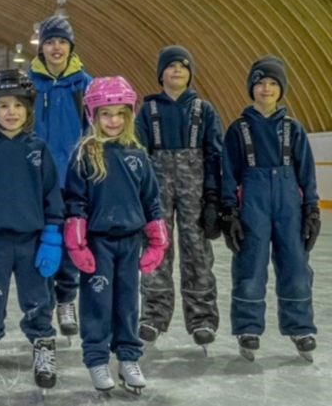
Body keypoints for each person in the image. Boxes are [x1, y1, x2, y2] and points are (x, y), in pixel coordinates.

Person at [0, 69, 63, 391]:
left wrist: (52, 236)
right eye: (3, 105)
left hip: (32, 242)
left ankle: (43, 348)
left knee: (38, 301)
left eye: (18, 105)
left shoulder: (38, 149)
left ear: (28, 109)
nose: (11, 112)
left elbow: (51, 194)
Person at [63, 76, 168, 394]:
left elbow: (151, 199)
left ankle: (127, 356)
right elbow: (75, 200)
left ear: (129, 115)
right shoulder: (85, 153)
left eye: (120, 114)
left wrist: (157, 238)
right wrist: (77, 240)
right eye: (106, 114)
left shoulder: (138, 155)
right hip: (97, 243)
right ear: (93, 116)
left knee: (127, 304)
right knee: (96, 303)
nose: (113, 120)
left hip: (129, 242)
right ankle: (96, 358)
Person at [220, 55, 320, 362]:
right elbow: (228, 171)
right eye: (260, 83)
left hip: (289, 204)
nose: (266, 89)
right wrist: (229, 211)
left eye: (273, 83)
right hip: (253, 203)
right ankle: (248, 328)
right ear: (252, 88)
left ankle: (300, 326)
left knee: (296, 264)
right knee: (251, 265)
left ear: (281, 89)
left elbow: (307, 172)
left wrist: (312, 209)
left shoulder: (294, 129)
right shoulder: (238, 130)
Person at [135, 45, 223, 351]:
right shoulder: (148, 111)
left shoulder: (204, 110)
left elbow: (214, 155)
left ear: (190, 74)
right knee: (156, 250)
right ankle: (153, 316)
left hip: (196, 193)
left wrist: (213, 199)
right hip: (156, 191)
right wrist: (140, 198)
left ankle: (202, 319)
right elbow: (138, 157)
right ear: (161, 74)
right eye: (171, 66)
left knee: (197, 252)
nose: (177, 71)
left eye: (183, 66)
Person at [28, 14, 92, 341]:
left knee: (70, 242)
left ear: (70, 47)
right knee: (40, 242)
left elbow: (95, 133)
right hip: (36, 181)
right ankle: (43, 303)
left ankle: (66, 299)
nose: (56, 47)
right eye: (50, 41)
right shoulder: (29, 83)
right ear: (41, 46)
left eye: (62, 42)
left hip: (71, 179)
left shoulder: (84, 85)